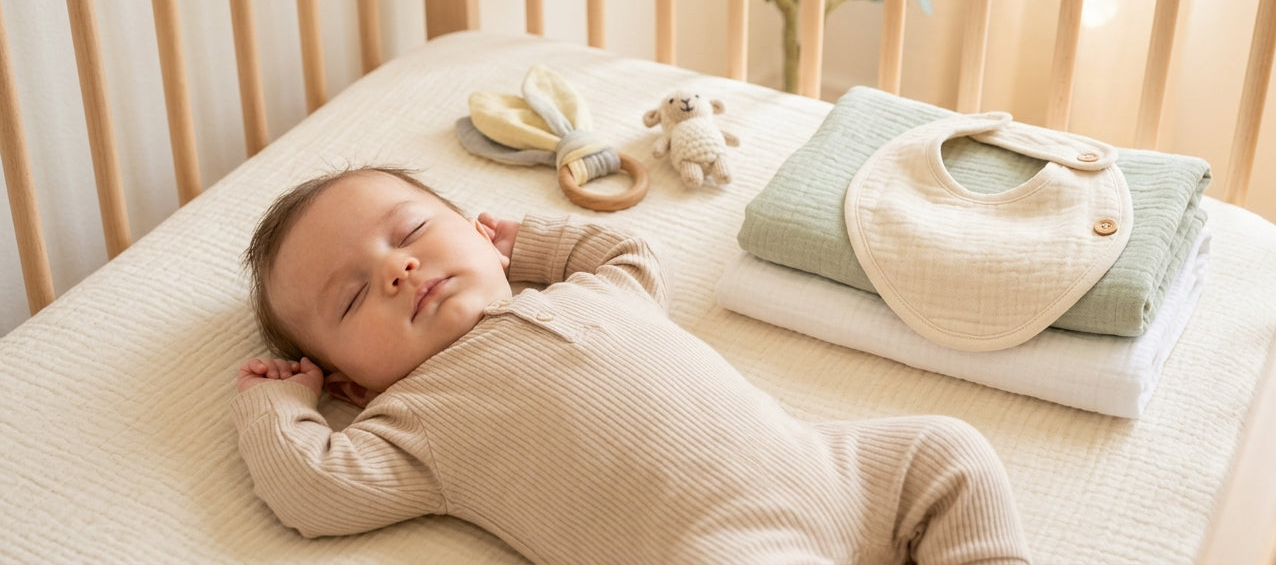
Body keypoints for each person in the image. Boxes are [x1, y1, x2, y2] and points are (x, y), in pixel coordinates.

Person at [233, 166, 1032, 565]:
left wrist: (532, 244)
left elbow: (631, 244)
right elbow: (316, 488)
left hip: (836, 464)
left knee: (948, 448)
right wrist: (280, 407)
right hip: (720, 543)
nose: (397, 271)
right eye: (350, 300)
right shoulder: (410, 421)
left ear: (478, 233)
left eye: (410, 233)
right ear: (350, 383)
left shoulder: (602, 288)